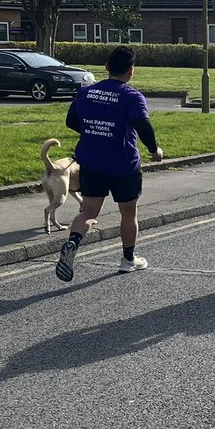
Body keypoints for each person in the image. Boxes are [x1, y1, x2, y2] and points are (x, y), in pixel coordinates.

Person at [55, 45, 163, 282]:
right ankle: (128, 259)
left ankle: (73, 241)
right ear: (131, 70)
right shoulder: (131, 96)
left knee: (89, 210)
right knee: (128, 212)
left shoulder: (86, 93)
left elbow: (71, 121)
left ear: (106, 67)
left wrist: (95, 132)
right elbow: (142, 125)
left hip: (92, 161)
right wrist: (154, 150)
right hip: (123, 164)